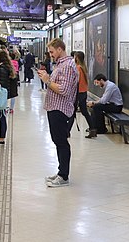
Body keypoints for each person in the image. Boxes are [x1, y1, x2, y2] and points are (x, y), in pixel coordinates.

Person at [37, 38, 78, 187]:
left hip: (60, 109)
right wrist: (46, 77)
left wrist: (47, 80)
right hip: (54, 107)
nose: (51, 54)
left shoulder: (67, 66)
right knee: (58, 141)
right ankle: (61, 172)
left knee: (61, 142)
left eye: (52, 51)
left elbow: (64, 90)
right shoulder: (61, 64)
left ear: (60, 49)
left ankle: (64, 176)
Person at [71, 51, 92, 134]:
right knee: (84, 111)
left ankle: (67, 131)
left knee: (73, 112)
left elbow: (76, 81)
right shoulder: (83, 67)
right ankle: (92, 127)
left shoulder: (78, 68)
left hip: (78, 92)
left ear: (77, 58)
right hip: (83, 92)